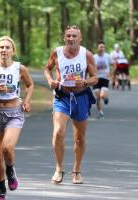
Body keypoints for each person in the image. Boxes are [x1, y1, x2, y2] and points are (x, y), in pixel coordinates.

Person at [0, 36, 34, 200]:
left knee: (7, 148)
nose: (4, 50)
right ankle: (2, 190)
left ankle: (10, 170)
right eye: (1, 47)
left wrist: (28, 101)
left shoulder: (20, 68)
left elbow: (30, 85)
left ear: (13, 50)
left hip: (14, 112)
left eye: (7, 47)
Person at [43, 25, 98, 184]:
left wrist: (86, 81)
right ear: (64, 37)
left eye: (74, 36)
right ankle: (59, 168)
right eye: (68, 36)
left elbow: (95, 77)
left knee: (79, 138)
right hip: (62, 96)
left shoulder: (86, 54)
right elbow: (47, 68)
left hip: (81, 97)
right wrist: (50, 80)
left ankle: (77, 170)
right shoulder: (57, 52)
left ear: (80, 38)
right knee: (58, 132)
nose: (71, 39)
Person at [93, 41, 112, 119]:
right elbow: (90, 67)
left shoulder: (108, 56)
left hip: (105, 78)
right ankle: (101, 113)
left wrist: (110, 73)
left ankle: (105, 98)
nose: (102, 48)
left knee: (102, 95)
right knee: (97, 97)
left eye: (103, 47)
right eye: (100, 47)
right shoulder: (94, 57)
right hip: (96, 78)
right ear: (97, 48)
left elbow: (114, 65)